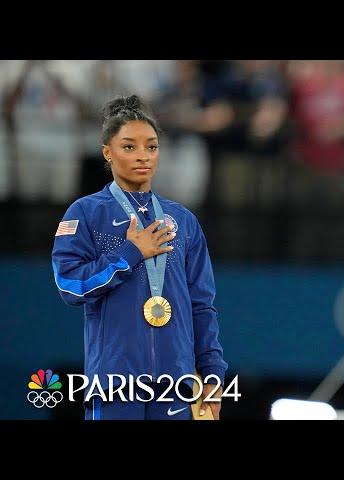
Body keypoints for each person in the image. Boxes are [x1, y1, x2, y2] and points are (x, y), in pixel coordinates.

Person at [51, 94, 228, 420]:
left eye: (151, 146)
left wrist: (213, 374)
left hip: (177, 381)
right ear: (108, 153)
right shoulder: (86, 213)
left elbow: (201, 305)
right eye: (129, 146)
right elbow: (69, 285)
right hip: (115, 380)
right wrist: (131, 253)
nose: (143, 156)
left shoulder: (183, 221)